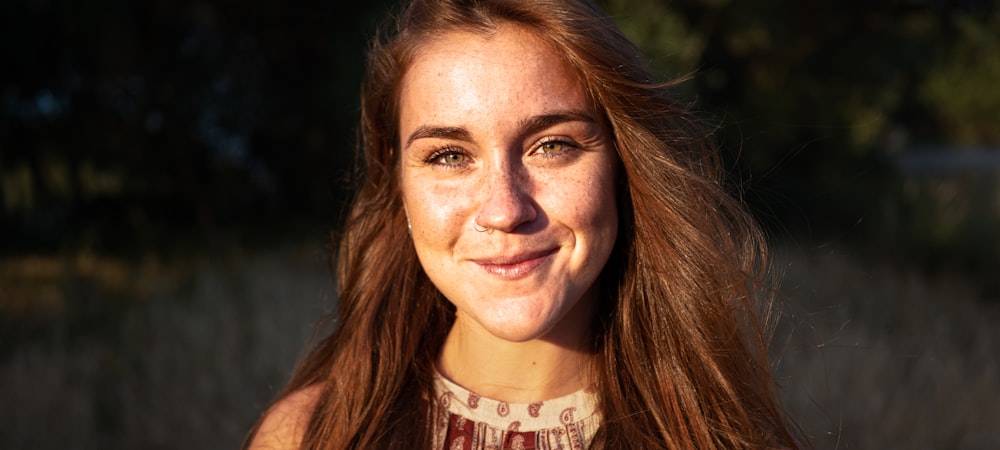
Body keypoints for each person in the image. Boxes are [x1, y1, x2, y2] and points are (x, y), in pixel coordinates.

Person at [246, 0, 801, 448]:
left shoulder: (724, 438)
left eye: (552, 146)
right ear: (398, 184)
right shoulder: (310, 437)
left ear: (622, 164)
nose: (506, 209)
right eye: (448, 156)